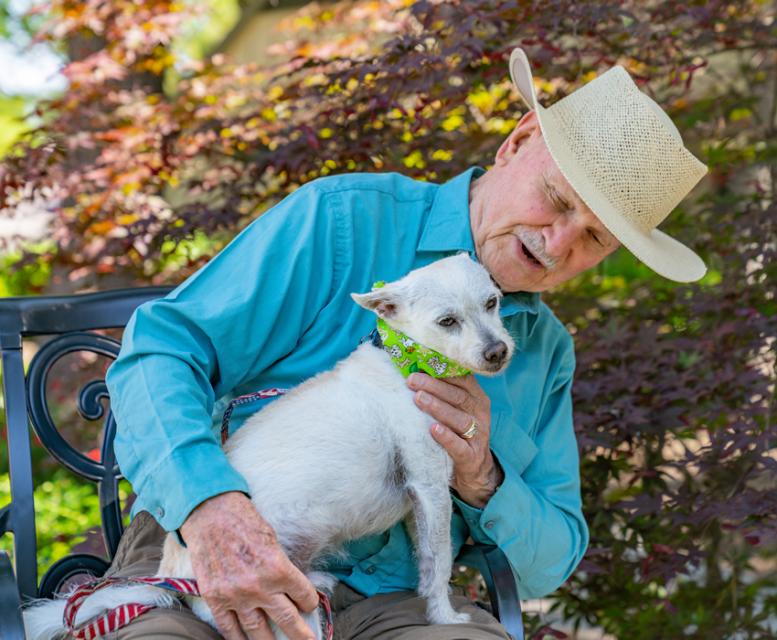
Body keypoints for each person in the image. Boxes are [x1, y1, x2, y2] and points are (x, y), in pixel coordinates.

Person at [103, 48, 707, 640]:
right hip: (205, 558)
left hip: (399, 603)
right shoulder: (342, 221)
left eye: (595, 238)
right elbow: (158, 352)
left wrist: (481, 476)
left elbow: (550, 561)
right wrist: (212, 509)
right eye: (557, 199)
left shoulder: (543, 350)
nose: (558, 240)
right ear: (517, 142)